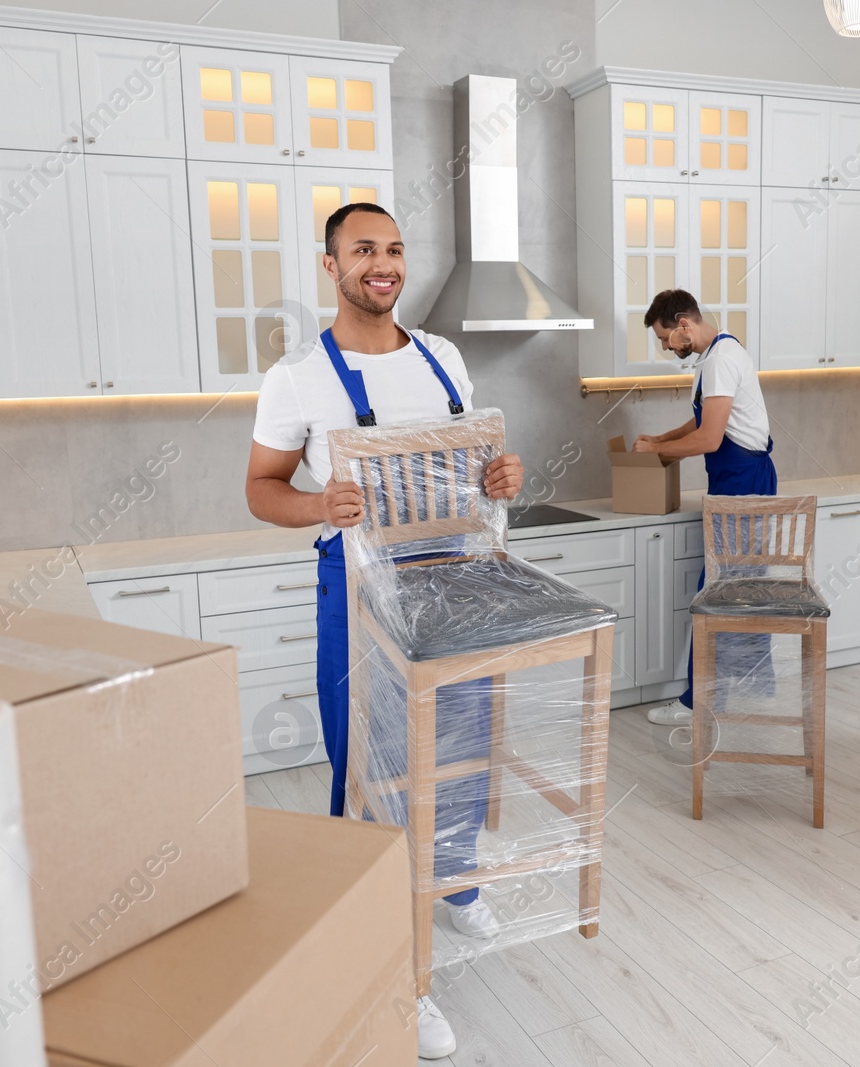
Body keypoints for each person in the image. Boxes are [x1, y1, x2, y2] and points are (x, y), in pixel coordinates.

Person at [244, 202, 523, 1060]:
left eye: (394, 249)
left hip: (457, 577)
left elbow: (474, 472)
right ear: (330, 266)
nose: (384, 263)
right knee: (372, 762)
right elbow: (261, 486)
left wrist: (503, 475)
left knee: (463, 739)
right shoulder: (296, 376)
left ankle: (457, 882)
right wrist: (316, 504)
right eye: (364, 249)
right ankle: (393, 967)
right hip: (362, 586)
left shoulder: (444, 359)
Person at [631, 290, 777, 727]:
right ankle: (735, 692)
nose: (666, 348)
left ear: (683, 324)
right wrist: (659, 440)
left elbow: (709, 440)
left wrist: (662, 456)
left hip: (742, 482)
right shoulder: (717, 355)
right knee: (733, 591)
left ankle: (700, 703)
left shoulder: (720, 361)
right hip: (738, 481)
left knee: (717, 593)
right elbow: (703, 421)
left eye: (665, 339)